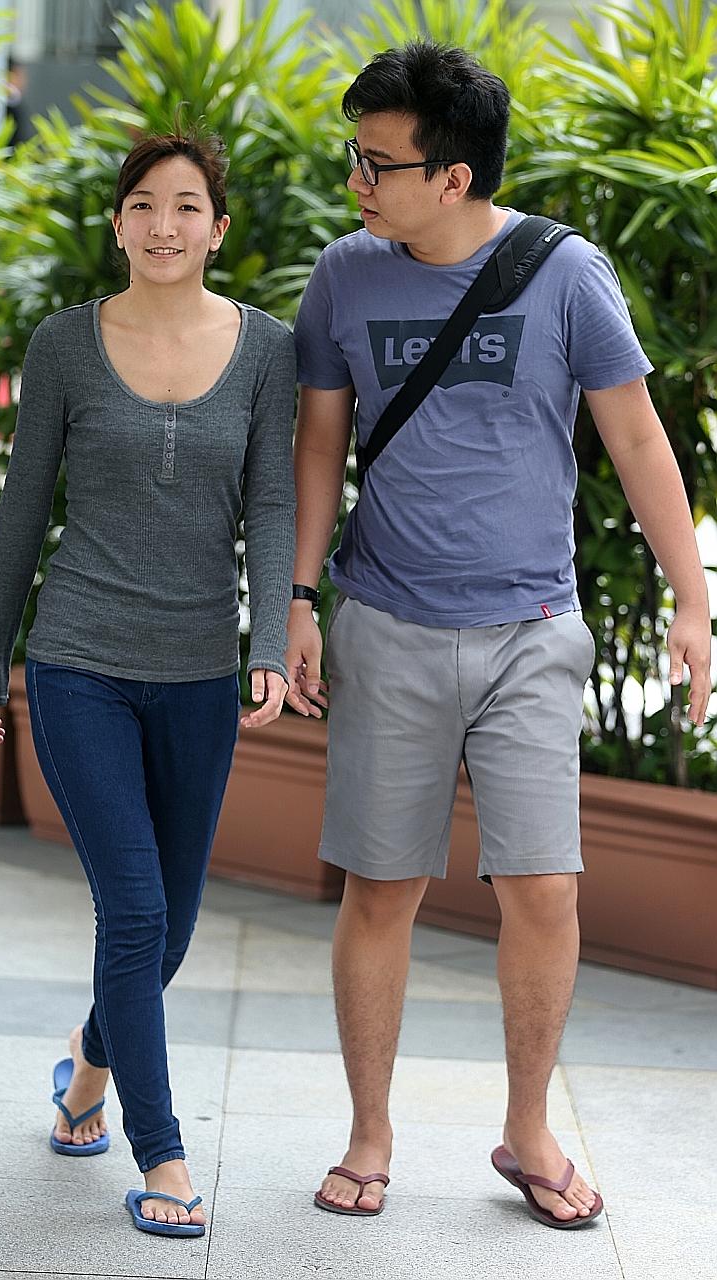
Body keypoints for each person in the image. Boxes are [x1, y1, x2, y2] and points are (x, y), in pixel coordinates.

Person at [287, 40, 712, 1229]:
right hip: (387, 620)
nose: (358, 183)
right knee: (381, 886)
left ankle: (526, 1130)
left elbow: (636, 440)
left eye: (379, 165)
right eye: (355, 158)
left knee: (545, 888)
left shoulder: (567, 275)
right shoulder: (345, 276)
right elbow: (320, 442)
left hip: (533, 627)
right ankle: (371, 1131)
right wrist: (299, 597)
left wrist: (690, 598)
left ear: (456, 177)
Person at [0, 127, 296, 1238]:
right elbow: (20, 511)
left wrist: (262, 643)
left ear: (219, 227)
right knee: (138, 907)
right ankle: (164, 1154)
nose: (165, 224)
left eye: (188, 205)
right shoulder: (64, 343)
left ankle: (88, 1061)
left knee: (175, 927)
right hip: (80, 661)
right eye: (145, 204)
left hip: (200, 668)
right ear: (118, 223)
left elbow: (270, 503)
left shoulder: (265, 349)